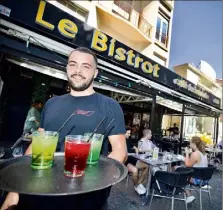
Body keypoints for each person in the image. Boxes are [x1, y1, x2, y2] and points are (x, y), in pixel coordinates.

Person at [1, 47, 127, 210]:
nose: (78, 71)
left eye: (86, 66)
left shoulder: (109, 106)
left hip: (85, 200)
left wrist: (94, 182)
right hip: (39, 192)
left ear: (95, 73)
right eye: (73, 64)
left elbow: (120, 151)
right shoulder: (52, 103)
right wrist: (16, 189)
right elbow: (38, 144)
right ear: (67, 68)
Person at [182, 136, 208, 204]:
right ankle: (187, 191)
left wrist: (187, 153)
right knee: (180, 170)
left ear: (194, 144)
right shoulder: (204, 153)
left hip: (197, 180)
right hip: (205, 179)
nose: (189, 144)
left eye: (190, 142)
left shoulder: (195, 154)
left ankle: (188, 194)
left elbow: (187, 164)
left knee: (178, 175)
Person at [125, 127, 147, 195]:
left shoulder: (128, 140)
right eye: (128, 133)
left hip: (132, 159)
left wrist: (137, 154)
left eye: (130, 133)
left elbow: (136, 148)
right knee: (135, 170)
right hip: (125, 161)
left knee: (147, 166)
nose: (129, 135)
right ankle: (136, 186)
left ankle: (139, 183)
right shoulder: (120, 142)